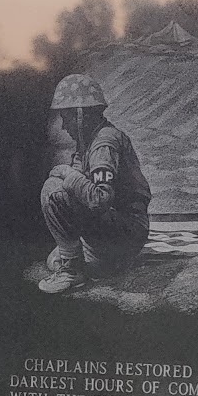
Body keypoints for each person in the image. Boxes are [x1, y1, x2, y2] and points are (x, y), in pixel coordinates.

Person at [36, 74, 152, 295]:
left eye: (66, 117)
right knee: (54, 258)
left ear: (81, 115)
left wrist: (68, 174)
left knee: (53, 191)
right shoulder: (88, 142)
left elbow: (100, 198)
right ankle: (88, 260)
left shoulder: (103, 144)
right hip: (117, 230)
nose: (63, 126)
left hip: (124, 232)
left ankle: (72, 271)